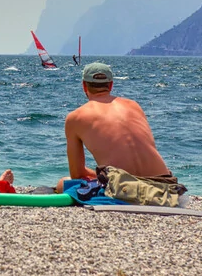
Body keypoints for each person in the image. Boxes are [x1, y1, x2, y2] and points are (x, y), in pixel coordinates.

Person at [56, 62, 173, 192]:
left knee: (63, 183)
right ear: (111, 85)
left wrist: (102, 175)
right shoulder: (134, 105)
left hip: (127, 190)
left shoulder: (75, 117)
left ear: (84, 86)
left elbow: (77, 174)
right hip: (167, 186)